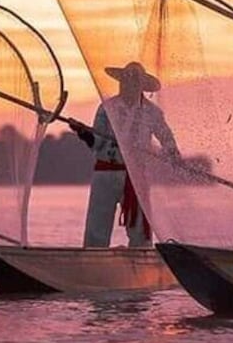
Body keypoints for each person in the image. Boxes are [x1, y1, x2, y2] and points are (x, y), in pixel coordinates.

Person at [69, 61, 180, 248]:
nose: (128, 85)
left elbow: (167, 138)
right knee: (97, 225)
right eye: (125, 80)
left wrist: (172, 153)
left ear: (141, 86)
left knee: (140, 231)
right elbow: (97, 143)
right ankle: (94, 259)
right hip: (106, 172)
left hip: (136, 176)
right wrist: (83, 133)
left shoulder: (153, 113)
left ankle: (141, 260)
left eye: (133, 81)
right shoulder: (107, 107)